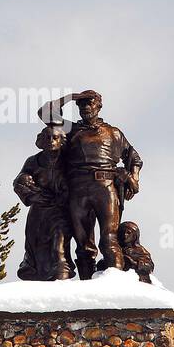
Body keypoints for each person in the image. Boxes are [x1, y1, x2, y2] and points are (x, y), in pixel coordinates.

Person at [40, 91, 143, 280]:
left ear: (99, 106)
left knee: (109, 238)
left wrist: (132, 179)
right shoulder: (71, 129)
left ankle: (115, 281)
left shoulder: (113, 133)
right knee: (83, 244)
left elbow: (134, 158)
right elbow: (45, 112)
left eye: (89, 103)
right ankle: (87, 287)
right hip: (78, 189)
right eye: (81, 104)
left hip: (105, 187)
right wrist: (71, 97)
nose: (85, 107)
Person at [13, 124, 75, 281]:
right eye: (47, 137)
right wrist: (34, 195)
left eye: (55, 138)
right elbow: (18, 183)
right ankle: (35, 276)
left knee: (59, 243)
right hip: (39, 210)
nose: (51, 141)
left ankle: (61, 275)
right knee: (35, 245)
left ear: (62, 141)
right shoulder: (33, 161)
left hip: (60, 211)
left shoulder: (69, 161)